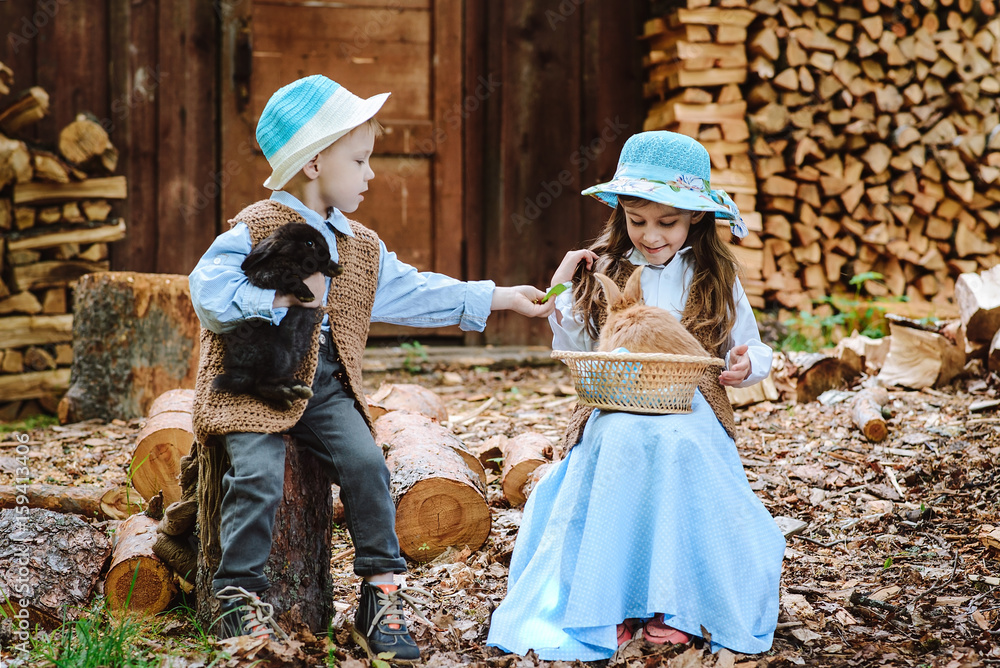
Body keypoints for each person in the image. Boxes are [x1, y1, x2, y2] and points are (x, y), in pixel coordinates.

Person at [188, 75, 554, 661]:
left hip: (329, 385)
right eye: (360, 160)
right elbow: (206, 290)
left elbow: (415, 291)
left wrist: (499, 297)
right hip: (253, 383)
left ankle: (378, 599)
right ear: (313, 164)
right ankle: (238, 596)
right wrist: (280, 299)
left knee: (367, 469)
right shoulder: (254, 226)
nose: (371, 173)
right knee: (256, 476)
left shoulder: (359, 246)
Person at [486, 131, 785, 661]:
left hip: (692, 405)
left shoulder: (714, 275)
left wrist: (746, 365)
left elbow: (753, 347)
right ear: (619, 213)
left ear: (695, 217)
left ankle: (674, 603)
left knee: (679, 445)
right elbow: (578, 345)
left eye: (667, 222)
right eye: (636, 220)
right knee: (619, 443)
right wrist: (563, 298)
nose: (650, 236)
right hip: (612, 403)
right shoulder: (604, 266)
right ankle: (614, 598)